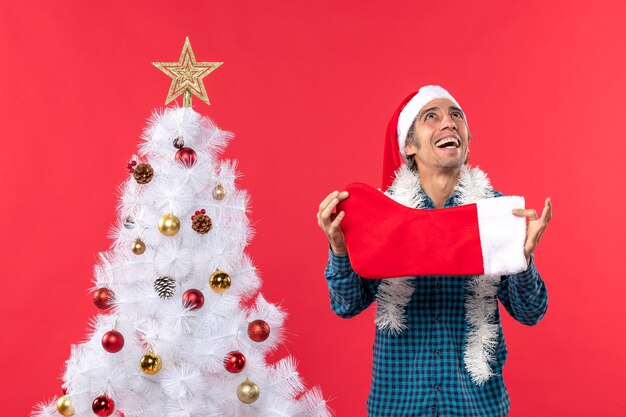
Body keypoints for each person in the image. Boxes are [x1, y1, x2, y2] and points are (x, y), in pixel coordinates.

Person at [316, 85, 551, 417]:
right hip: (398, 402)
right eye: (432, 117)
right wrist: (339, 249)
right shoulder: (383, 215)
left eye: (457, 116)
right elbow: (346, 305)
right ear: (409, 145)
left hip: (476, 404)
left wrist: (522, 258)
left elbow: (531, 313)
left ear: (467, 139)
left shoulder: (495, 215)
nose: (449, 123)